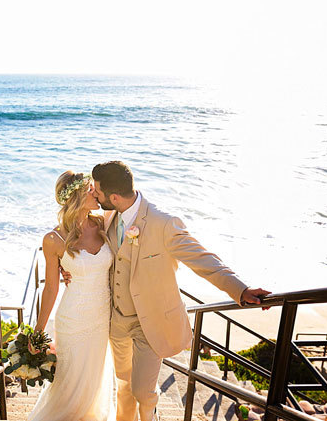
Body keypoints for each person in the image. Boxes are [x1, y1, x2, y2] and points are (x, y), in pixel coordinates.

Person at [63, 161, 270, 421]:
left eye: (98, 192)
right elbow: (85, 244)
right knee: (124, 384)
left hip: (150, 322)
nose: (94, 194)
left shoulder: (163, 223)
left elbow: (202, 259)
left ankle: (150, 415)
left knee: (142, 389)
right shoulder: (107, 216)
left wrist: (241, 290)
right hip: (117, 321)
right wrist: (67, 266)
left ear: (114, 197)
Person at [28, 170, 116, 421]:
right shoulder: (53, 239)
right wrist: (39, 330)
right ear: (77, 195)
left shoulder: (103, 223)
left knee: (94, 384)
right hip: (73, 321)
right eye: (91, 189)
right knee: (69, 388)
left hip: (101, 321)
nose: (97, 193)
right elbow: (51, 288)